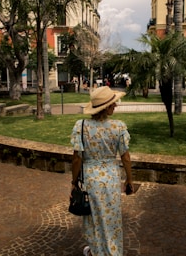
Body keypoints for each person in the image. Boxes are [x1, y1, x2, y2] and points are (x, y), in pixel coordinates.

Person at [70, 86, 133, 256]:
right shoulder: (118, 127)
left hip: (91, 179)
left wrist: (74, 182)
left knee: (94, 217)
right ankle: (113, 251)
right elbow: (125, 157)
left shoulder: (81, 126)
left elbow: (77, 159)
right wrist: (129, 180)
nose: (116, 106)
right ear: (106, 107)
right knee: (111, 217)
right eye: (113, 103)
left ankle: (97, 251)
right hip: (112, 178)